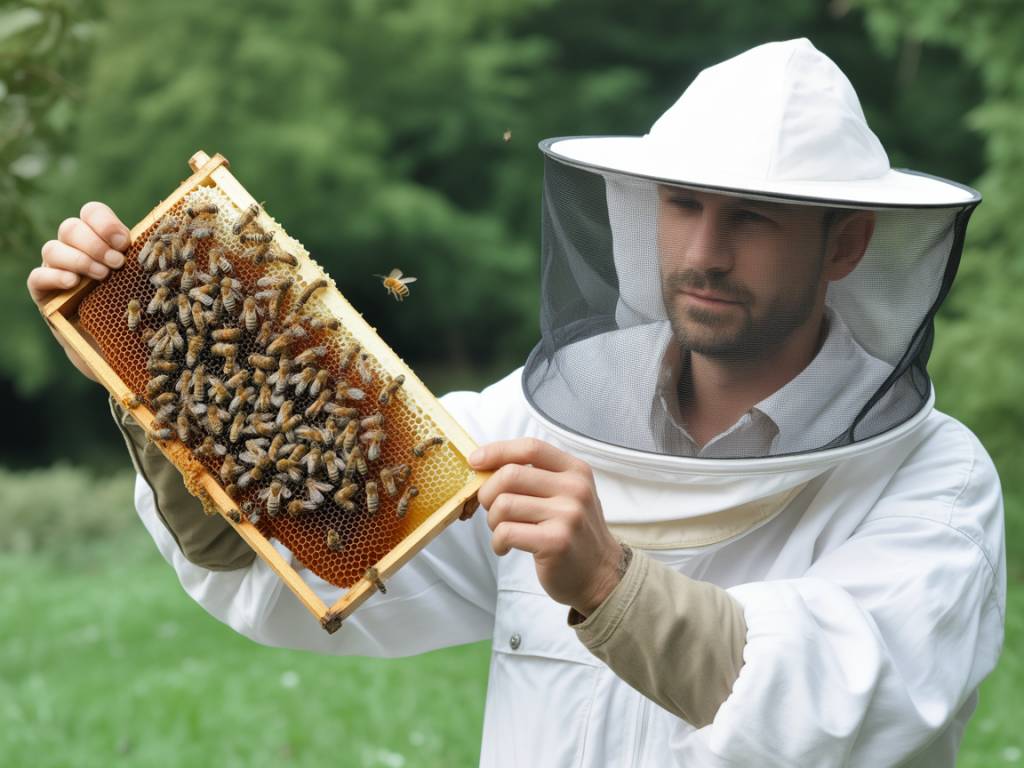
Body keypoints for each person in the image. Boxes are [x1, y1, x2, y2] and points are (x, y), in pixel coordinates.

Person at [29, 38, 1004, 767]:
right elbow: (300, 559)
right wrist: (149, 358)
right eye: (682, 206)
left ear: (844, 246)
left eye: (752, 216)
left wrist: (610, 582)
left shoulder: (931, 480)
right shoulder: (525, 426)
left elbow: (849, 706)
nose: (704, 251)